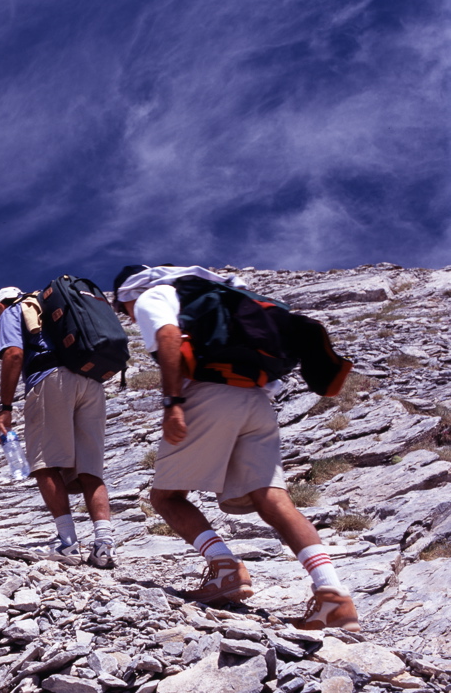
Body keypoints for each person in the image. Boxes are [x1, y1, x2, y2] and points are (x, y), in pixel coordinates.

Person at [112, 264, 360, 631]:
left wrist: (172, 403)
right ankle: (333, 595)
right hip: (256, 399)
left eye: (123, 310)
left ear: (127, 294)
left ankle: (224, 568)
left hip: (209, 394)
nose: (129, 317)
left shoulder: (151, 294)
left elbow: (168, 336)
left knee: (166, 497)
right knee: (274, 501)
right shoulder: (211, 294)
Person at [0, 286, 114, 567]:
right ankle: (104, 545)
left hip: (50, 379)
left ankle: (68, 544)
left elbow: (13, 354)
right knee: (89, 467)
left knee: (44, 463)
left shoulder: (12, 310)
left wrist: (5, 408)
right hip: (92, 381)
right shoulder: (52, 308)